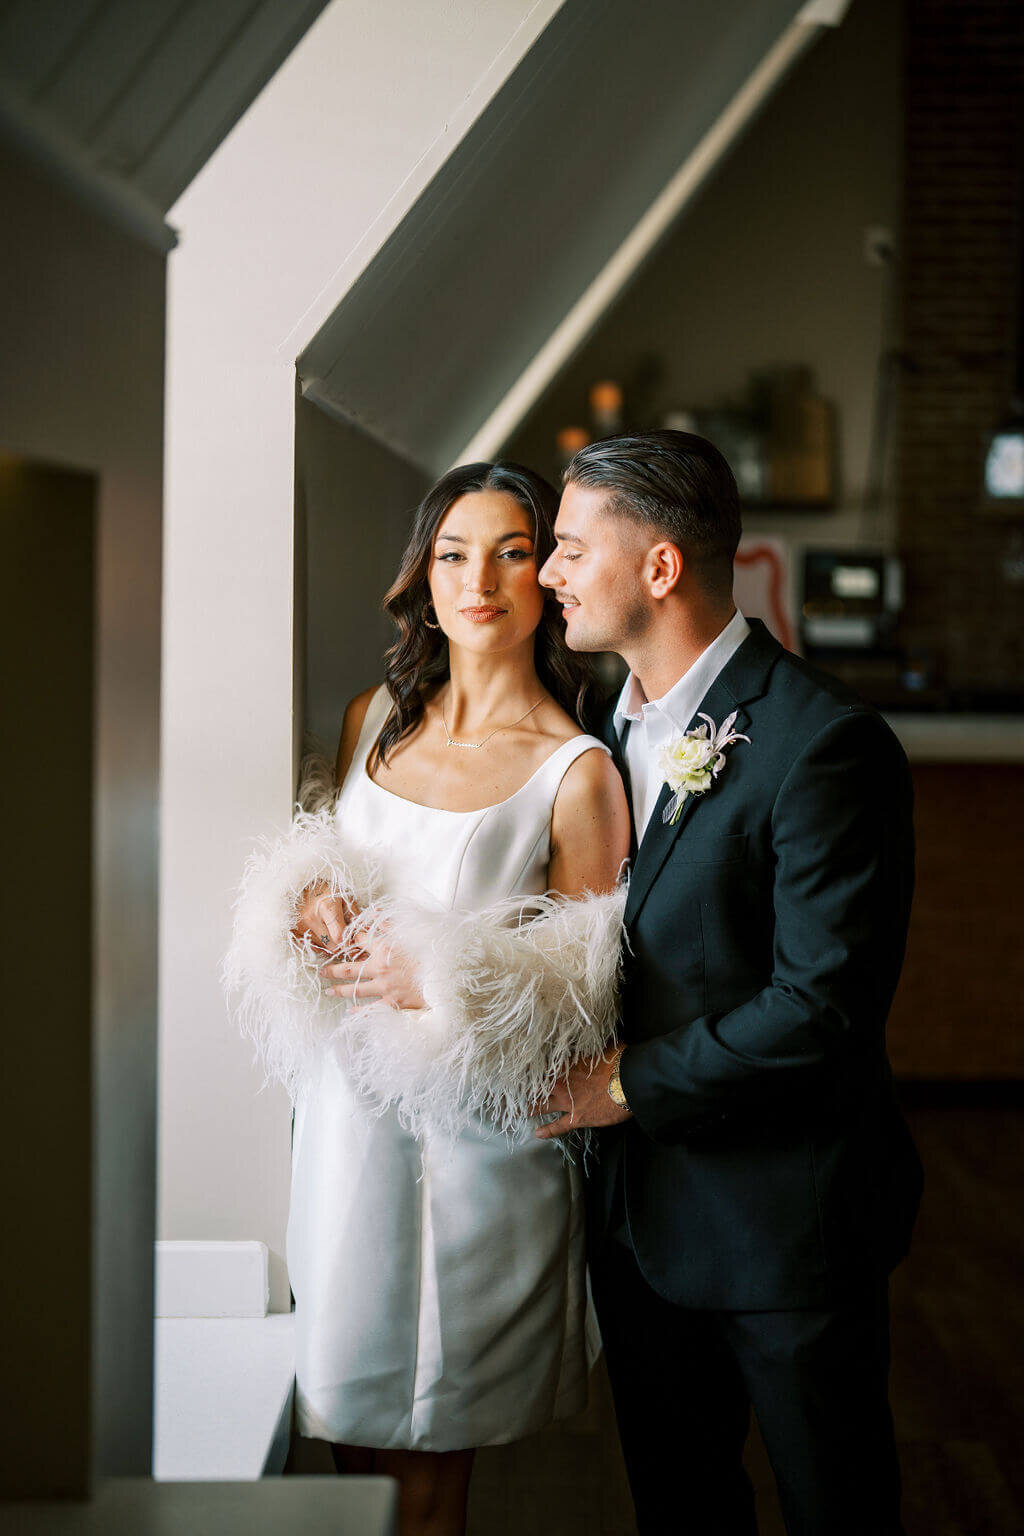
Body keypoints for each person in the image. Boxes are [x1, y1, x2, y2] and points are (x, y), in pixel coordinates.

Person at [225, 460, 630, 1536]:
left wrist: (445, 977)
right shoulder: (373, 719)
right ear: (425, 573)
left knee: (434, 1457)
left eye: (508, 551)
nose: (478, 579)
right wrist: (308, 899)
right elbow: (328, 863)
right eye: (453, 552)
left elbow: (583, 1004)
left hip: (478, 1158)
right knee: (348, 1428)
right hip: (346, 1134)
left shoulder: (577, 769)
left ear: (545, 577)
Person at [534, 430, 923, 1536]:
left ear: (659, 569)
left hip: (784, 1224)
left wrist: (624, 1085)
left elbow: (824, 1006)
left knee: (835, 1508)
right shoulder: (592, 736)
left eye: (569, 548)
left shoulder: (824, 745)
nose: (550, 573)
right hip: (638, 1223)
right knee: (679, 1507)